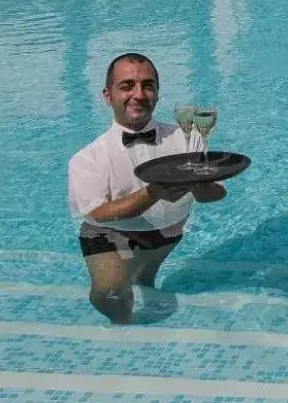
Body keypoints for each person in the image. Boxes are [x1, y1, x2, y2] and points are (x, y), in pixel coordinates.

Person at [68, 52, 227, 323]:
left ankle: (141, 282)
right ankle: (123, 325)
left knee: (144, 279)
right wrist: (153, 192)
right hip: (109, 232)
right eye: (127, 86)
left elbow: (214, 195)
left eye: (148, 85)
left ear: (157, 93)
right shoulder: (87, 158)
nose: (139, 94)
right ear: (108, 96)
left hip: (168, 231)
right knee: (110, 293)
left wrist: (198, 182)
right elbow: (98, 214)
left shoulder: (186, 140)